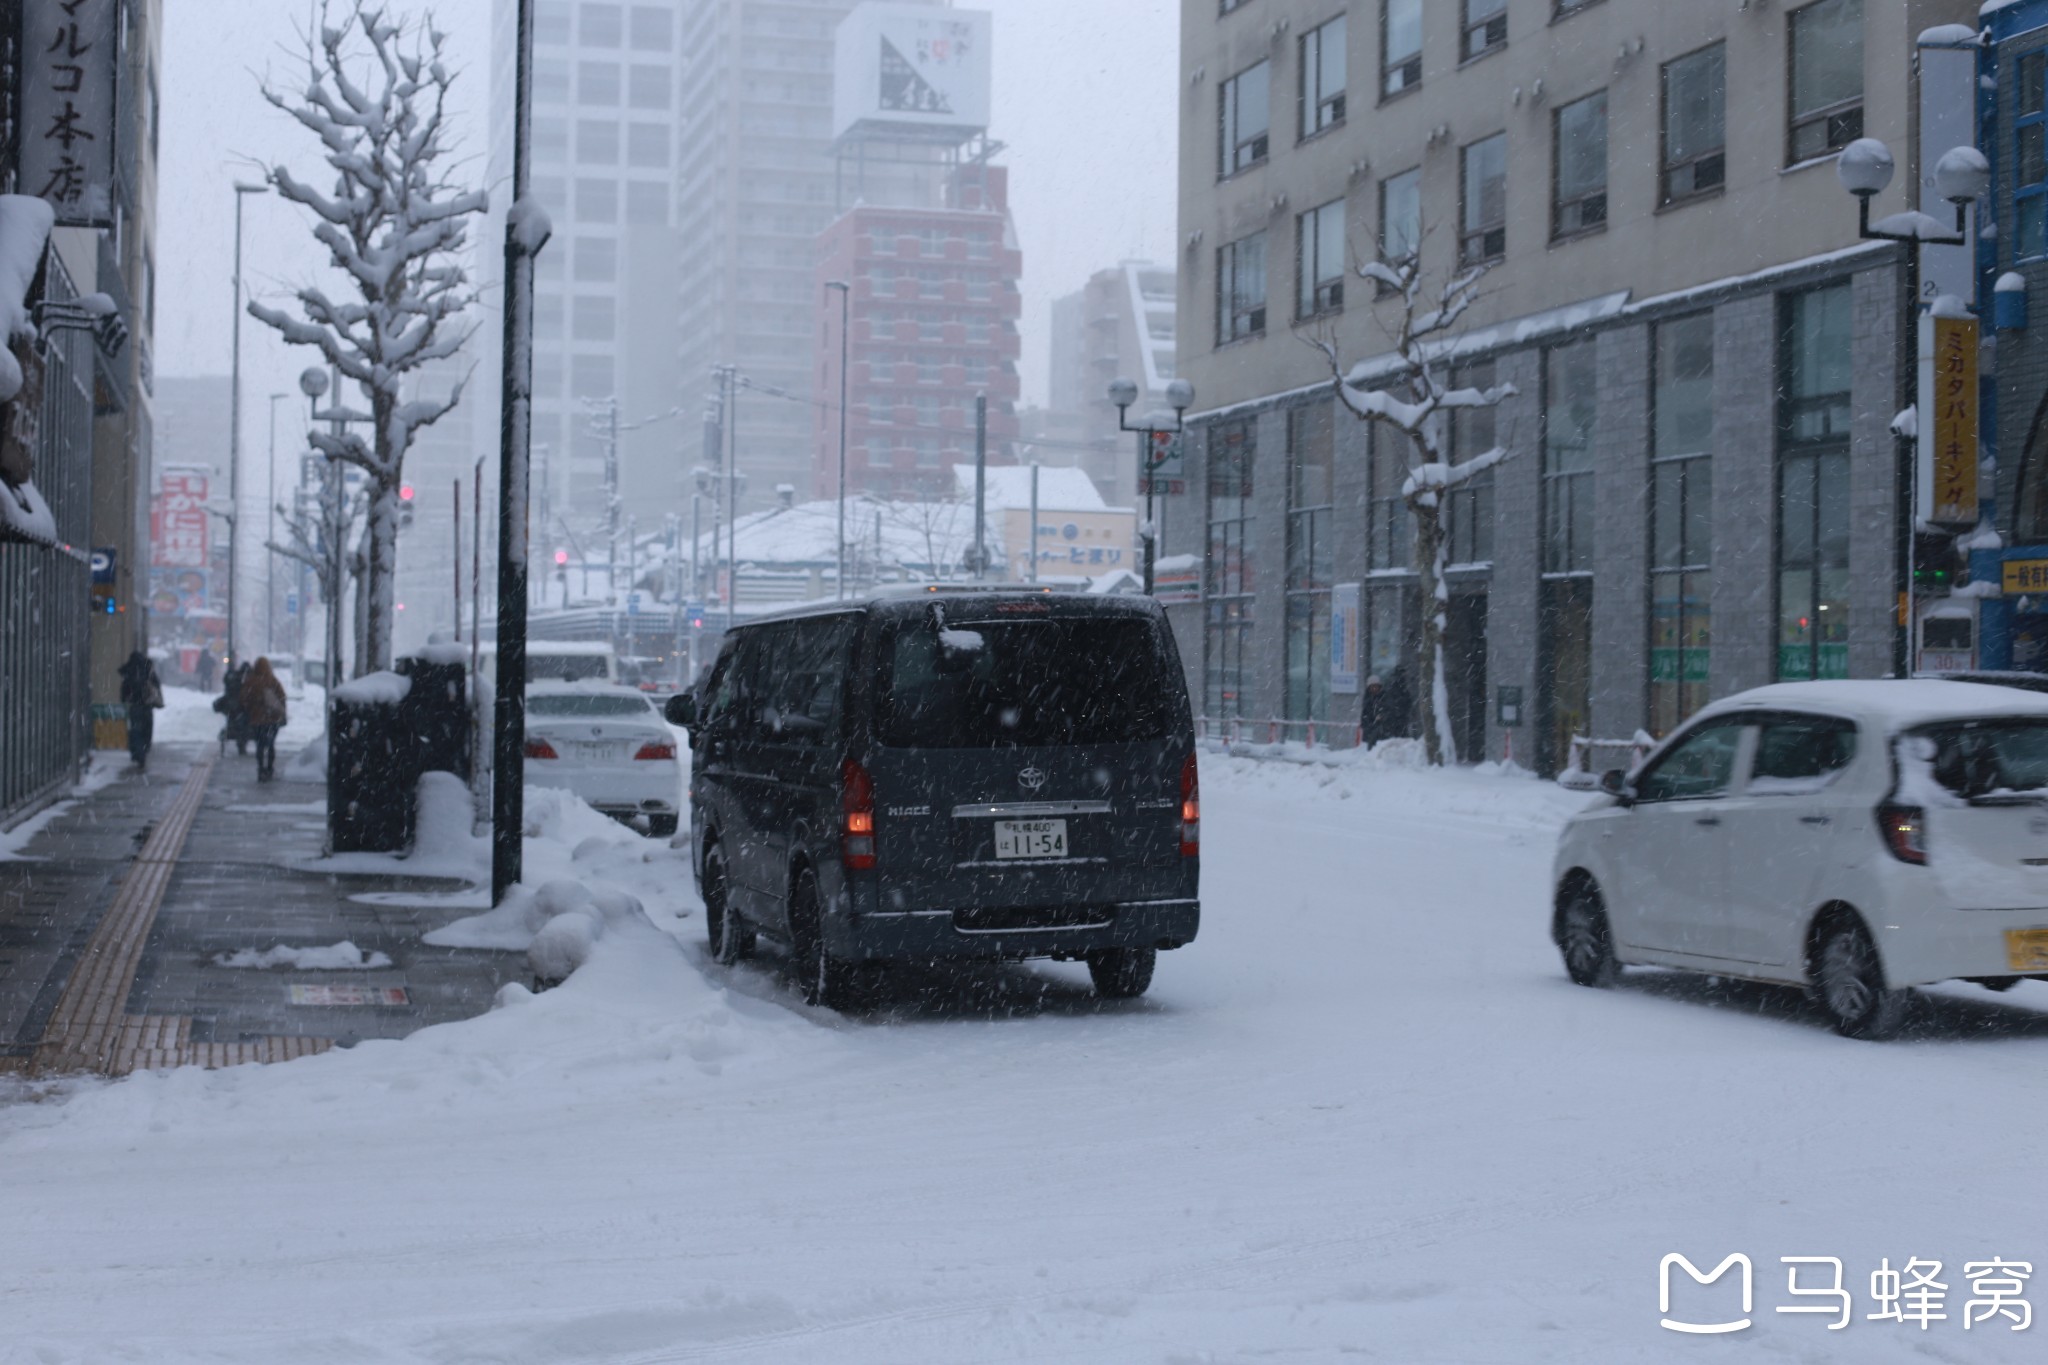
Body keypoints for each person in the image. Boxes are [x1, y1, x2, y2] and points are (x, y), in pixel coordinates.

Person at [240, 657, 289, 782]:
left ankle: (261, 768)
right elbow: (282, 697)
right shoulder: (273, 681)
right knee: (271, 745)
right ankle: (270, 768)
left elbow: (244, 699)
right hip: (273, 719)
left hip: (257, 719)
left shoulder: (251, 682)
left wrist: (253, 707)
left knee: (260, 745)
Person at [118, 649, 163, 772]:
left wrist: (125, 698)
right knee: (146, 730)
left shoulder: (130, 672)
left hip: (135, 707)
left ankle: (138, 753)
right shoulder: (148, 670)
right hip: (147, 706)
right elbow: (156, 685)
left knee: (135, 730)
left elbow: (124, 690)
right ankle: (144, 749)